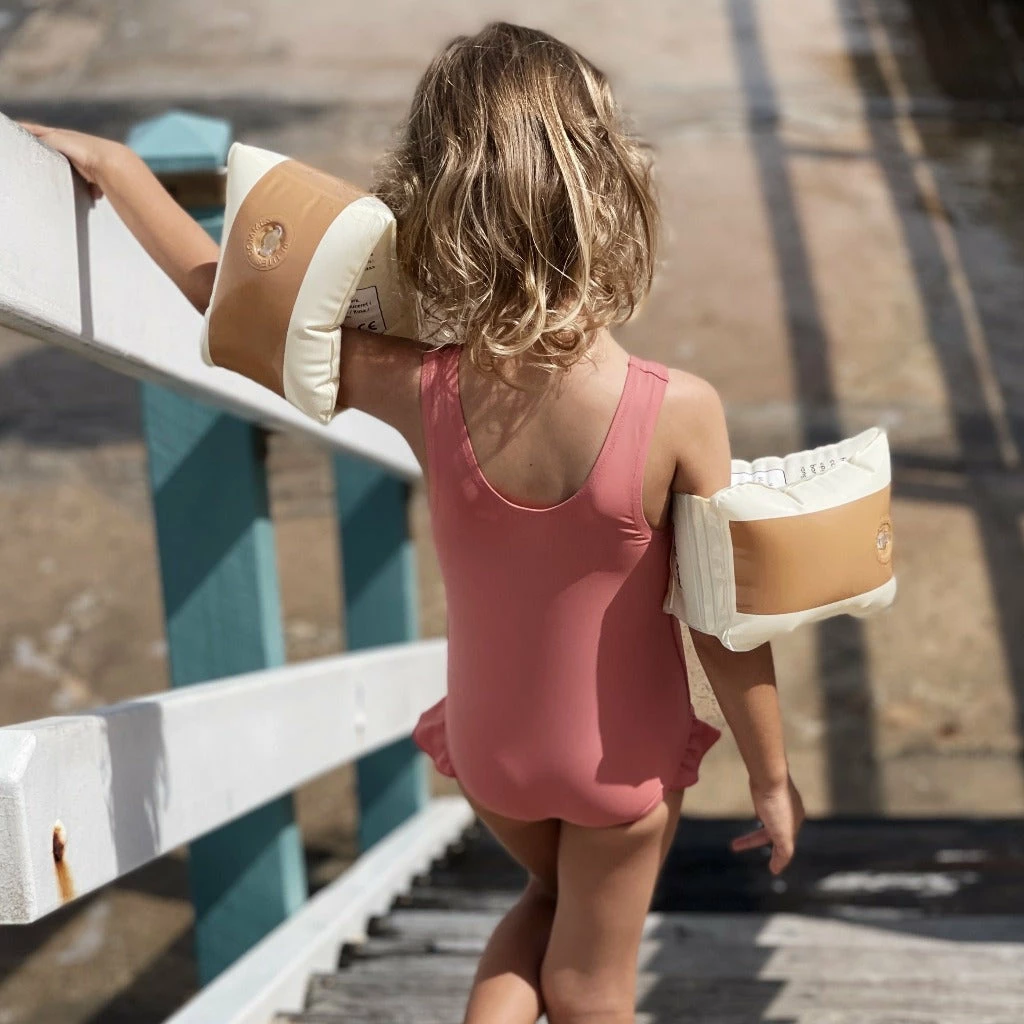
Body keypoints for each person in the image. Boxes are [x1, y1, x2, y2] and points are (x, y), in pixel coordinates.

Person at [20, 20, 804, 1023]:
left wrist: (121, 170)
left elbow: (229, 305)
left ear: (432, 201)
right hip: (620, 760)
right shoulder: (680, 410)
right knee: (591, 989)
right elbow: (727, 620)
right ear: (609, 186)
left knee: (545, 900)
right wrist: (772, 776)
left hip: (494, 754)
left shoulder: (421, 388)